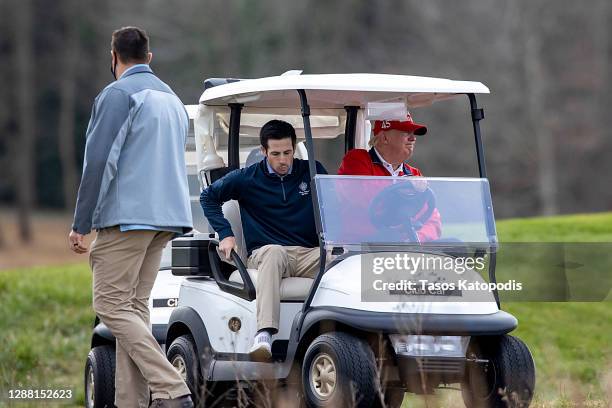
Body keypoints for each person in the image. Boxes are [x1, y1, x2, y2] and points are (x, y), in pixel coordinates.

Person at [68, 27, 193, 408]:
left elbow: (99, 161)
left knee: (109, 306)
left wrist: (81, 221)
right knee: (134, 311)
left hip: (128, 220)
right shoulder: (172, 99)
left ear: (113, 57)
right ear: (149, 58)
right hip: (167, 219)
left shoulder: (117, 95)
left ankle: (171, 386)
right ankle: (131, 402)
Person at [201, 120, 326, 360]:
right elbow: (208, 197)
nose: (283, 160)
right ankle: (264, 333)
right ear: (264, 151)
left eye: (288, 153)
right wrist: (226, 234)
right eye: (276, 154)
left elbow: (334, 204)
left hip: (308, 254)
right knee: (274, 252)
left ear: (294, 148)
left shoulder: (312, 170)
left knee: (337, 258)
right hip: (266, 254)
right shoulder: (247, 178)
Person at [338, 112, 441, 242]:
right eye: (405, 132)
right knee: (390, 238)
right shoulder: (357, 160)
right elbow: (366, 198)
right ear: (384, 138)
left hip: (401, 248)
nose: (413, 138)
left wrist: (415, 238)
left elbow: (432, 220)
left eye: (413, 133)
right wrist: (405, 190)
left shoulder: (413, 174)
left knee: (455, 244)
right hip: (362, 246)